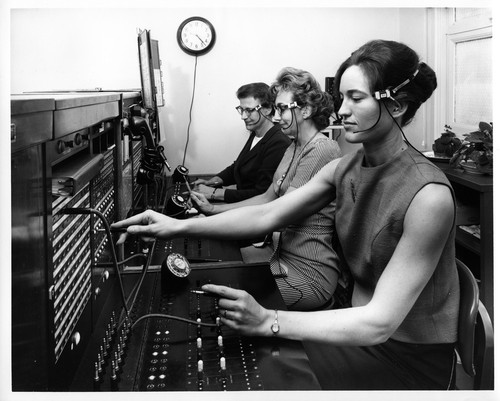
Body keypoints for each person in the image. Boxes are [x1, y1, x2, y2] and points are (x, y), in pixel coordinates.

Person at [112, 40, 460, 390]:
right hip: (354, 328)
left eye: (356, 98)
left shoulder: (429, 196)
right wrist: (176, 226)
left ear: (396, 105)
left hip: (402, 357)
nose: (342, 110)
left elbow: (380, 322)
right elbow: (267, 214)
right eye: (341, 98)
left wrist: (268, 320)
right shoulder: (346, 166)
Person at [190, 67, 343, 311]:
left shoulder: (323, 149)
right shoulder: (293, 147)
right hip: (280, 259)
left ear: (306, 109)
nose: (276, 116)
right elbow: (265, 198)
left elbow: (275, 215)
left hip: (309, 273)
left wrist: (190, 225)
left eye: (283, 108)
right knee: (212, 281)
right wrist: (211, 210)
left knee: (223, 301)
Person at [192, 82, 291, 203]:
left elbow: (262, 194)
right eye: (241, 110)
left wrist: (214, 193)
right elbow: (239, 166)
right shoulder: (256, 133)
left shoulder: (278, 143)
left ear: (267, 109)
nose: (243, 116)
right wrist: (213, 181)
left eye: (249, 110)